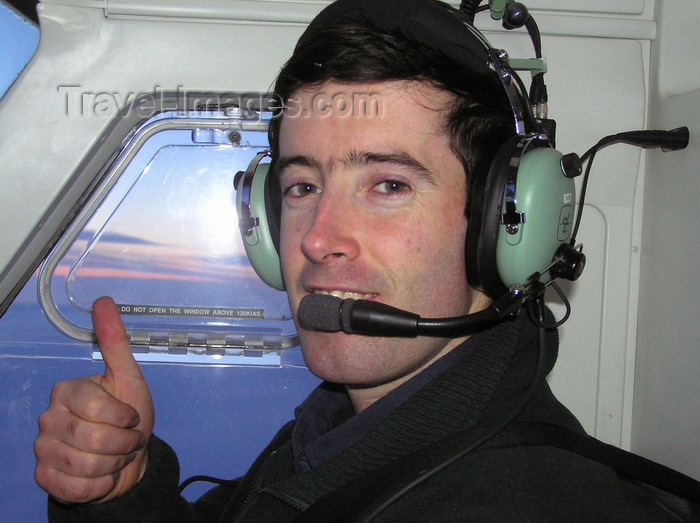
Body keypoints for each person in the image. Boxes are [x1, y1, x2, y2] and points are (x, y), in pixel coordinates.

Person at [33, 0, 695, 520]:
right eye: (302, 186)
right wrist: (123, 493)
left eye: (388, 185)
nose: (319, 238)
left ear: (503, 224)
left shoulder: (505, 501)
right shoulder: (347, 430)